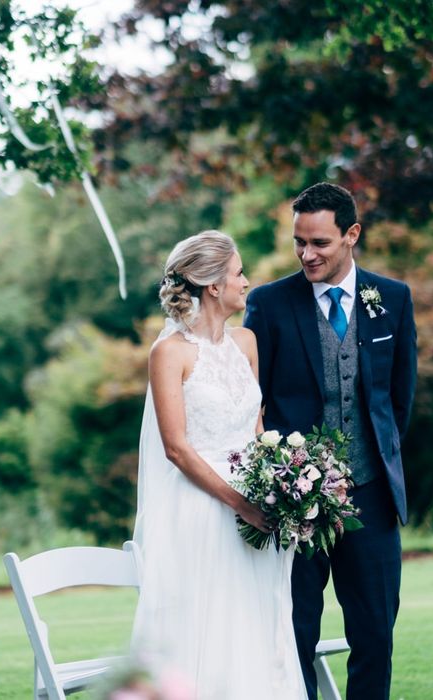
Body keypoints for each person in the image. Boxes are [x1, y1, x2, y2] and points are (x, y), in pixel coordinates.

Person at [244, 183, 417, 700]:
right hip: (296, 503)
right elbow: (252, 402)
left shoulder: (392, 299)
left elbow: (399, 401)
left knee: (375, 636)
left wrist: (371, 462)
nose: (306, 254)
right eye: (299, 241)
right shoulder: (269, 304)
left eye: (319, 242)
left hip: (371, 497)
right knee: (294, 633)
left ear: (351, 235)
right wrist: (285, 480)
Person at [131, 230, 306, 699]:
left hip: (257, 507)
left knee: (255, 622)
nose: (246, 281)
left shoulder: (245, 342)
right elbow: (177, 449)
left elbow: (256, 428)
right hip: (203, 512)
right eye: (238, 272)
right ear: (212, 286)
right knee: (206, 630)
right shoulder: (170, 352)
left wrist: (287, 486)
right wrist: (241, 504)